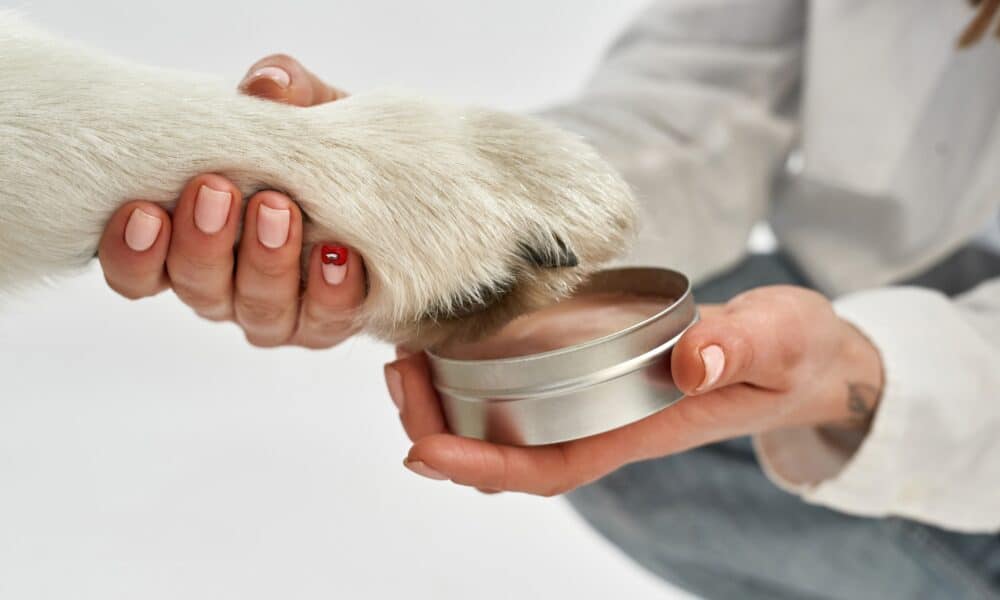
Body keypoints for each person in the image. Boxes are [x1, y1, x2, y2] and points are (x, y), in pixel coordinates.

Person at [96, 1, 1000, 598]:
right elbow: (699, 108)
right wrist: (453, 207)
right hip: (909, 276)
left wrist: (863, 380)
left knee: (663, 401)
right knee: (598, 389)